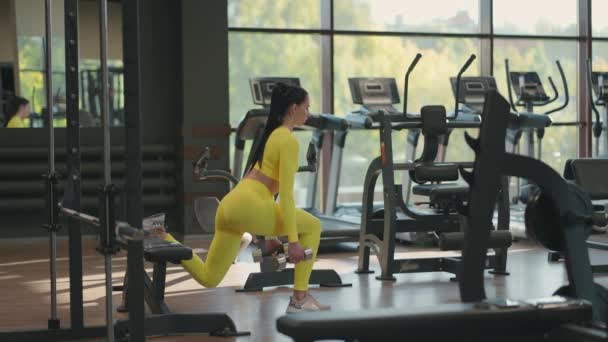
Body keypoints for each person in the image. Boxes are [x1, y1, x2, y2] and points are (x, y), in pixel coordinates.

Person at [149, 83, 329, 313]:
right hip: (251, 207)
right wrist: (293, 242)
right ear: (294, 108)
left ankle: (162, 236)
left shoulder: (269, 136)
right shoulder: (288, 141)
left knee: (209, 277)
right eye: (307, 107)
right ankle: (299, 299)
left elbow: (263, 194)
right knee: (313, 226)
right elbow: (285, 197)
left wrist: (271, 236)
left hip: (229, 206)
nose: (309, 113)